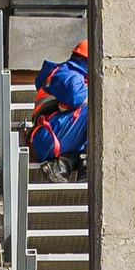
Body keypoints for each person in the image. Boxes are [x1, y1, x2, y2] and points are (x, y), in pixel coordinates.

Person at [28, 40, 90, 176]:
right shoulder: (67, 73)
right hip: (47, 137)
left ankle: (64, 165)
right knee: (98, 105)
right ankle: (86, 165)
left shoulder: (72, 74)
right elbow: (75, 96)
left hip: (51, 136)